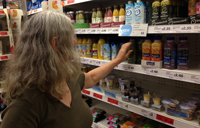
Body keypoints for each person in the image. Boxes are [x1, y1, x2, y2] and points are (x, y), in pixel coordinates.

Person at [0, 11, 132, 128]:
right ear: (56, 43)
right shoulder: (25, 103)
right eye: (71, 36)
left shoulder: (65, 74)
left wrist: (117, 60)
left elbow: (91, 78)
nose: (74, 41)